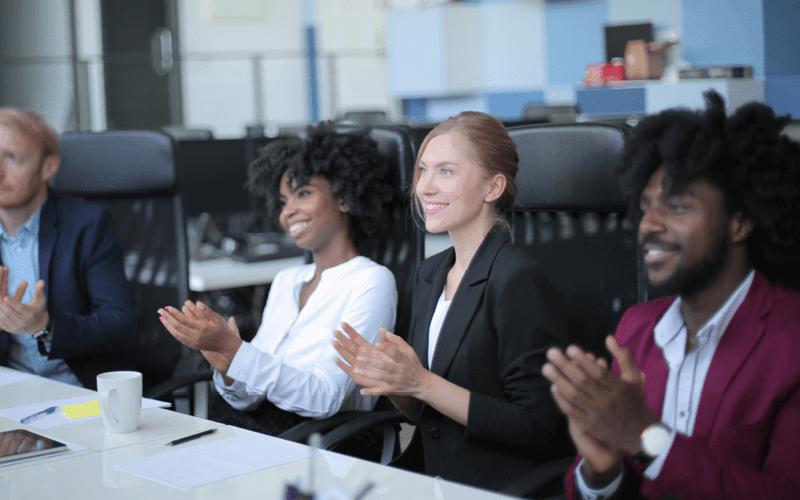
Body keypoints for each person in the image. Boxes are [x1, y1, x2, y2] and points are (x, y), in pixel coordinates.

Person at [542, 90, 800, 499]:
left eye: (676, 206)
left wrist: (647, 438)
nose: (648, 225)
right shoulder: (637, 328)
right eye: (645, 207)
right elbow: (596, 483)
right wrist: (600, 471)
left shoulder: (792, 343)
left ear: (740, 222)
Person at [334, 111, 569, 490]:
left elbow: (536, 427)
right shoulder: (431, 273)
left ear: (493, 188)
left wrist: (422, 383)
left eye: (445, 172)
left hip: (493, 484)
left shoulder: (516, 279)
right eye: (423, 170)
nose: (425, 187)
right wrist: (396, 383)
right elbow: (427, 415)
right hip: (432, 477)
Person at [158, 123, 397, 435]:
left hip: (323, 443)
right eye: (284, 201)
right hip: (265, 430)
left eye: (304, 194)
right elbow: (250, 399)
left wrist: (236, 351)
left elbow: (325, 399)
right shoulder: (287, 280)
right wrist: (226, 364)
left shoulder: (371, 281)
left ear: (345, 199)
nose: (288, 212)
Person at [0, 108, 137, 389]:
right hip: (11, 392)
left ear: (48, 167)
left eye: (12, 158)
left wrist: (44, 325)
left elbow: (120, 326)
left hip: (75, 391)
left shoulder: (87, 225)